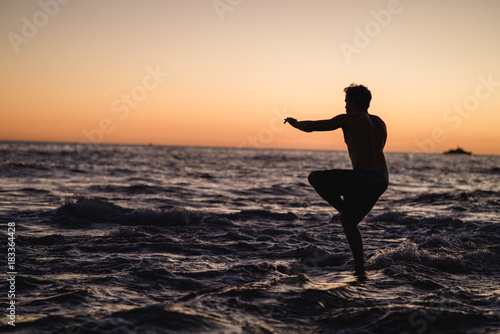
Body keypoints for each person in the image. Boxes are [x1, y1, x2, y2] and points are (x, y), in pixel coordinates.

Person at [285, 83, 388, 275]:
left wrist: (295, 123)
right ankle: (359, 268)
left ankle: (343, 211)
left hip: (363, 177)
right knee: (348, 222)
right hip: (381, 181)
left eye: (347, 101)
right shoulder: (380, 122)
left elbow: (314, 127)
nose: (345, 105)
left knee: (314, 178)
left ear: (354, 101)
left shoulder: (349, 119)